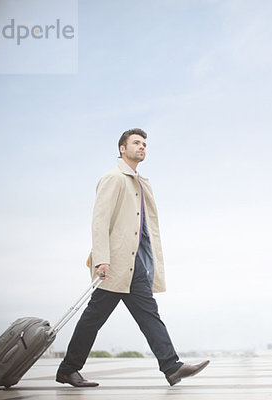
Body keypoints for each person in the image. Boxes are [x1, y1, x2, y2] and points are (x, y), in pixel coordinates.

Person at [56, 128, 209, 387]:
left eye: (145, 144)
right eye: (136, 143)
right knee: (93, 318)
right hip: (115, 263)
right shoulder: (114, 178)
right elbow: (99, 222)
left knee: (149, 315)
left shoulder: (138, 182)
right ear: (122, 149)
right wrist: (102, 259)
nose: (142, 147)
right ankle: (68, 369)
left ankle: (171, 367)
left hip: (134, 264)